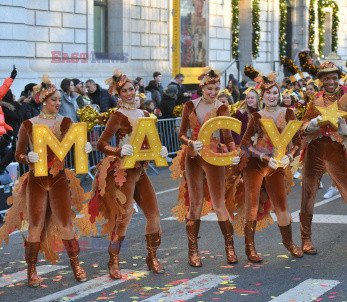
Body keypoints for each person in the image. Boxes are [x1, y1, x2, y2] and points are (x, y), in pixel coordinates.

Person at [0, 75, 92, 286]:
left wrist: (85, 148)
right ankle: (31, 271)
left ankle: (76, 264)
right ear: (43, 100)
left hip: (59, 179)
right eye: (54, 100)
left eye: (60, 100)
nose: (59, 103)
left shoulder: (66, 121)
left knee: (65, 223)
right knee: (36, 225)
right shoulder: (29, 124)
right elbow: (18, 154)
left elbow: (78, 143)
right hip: (37, 180)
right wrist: (27, 158)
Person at [85, 69, 169, 278]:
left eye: (132, 89)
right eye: (124, 91)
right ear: (118, 94)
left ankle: (152, 256)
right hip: (125, 171)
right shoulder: (118, 115)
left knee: (154, 214)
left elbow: (151, 141)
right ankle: (113, 261)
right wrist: (119, 150)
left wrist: (161, 150)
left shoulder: (145, 114)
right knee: (123, 217)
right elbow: (102, 144)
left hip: (141, 170)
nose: (130, 93)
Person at [300, 61, 347, 254]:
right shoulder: (315, 97)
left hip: (337, 150)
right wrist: (309, 126)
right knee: (308, 193)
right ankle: (306, 239)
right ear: (321, 80)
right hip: (315, 150)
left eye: (334, 77)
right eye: (326, 78)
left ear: (338, 77)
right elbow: (305, 120)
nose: (330, 81)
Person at [170, 67, 240, 267]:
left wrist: (233, 154)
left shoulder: (222, 107)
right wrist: (190, 143)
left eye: (216, 88)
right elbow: (181, 134)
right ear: (202, 87)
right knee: (196, 204)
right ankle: (193, 251)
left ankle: (230, 248)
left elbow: (228, 137)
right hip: (194, 157)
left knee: (219, 204)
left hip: (215, 157)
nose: (213, 92)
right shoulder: (189, 106)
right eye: (210, 88)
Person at [239, 73, 303, 261]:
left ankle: (289, 243)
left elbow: (298, 142)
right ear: (262, 96)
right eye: (268, 93)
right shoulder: (257, 116)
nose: (272, 96)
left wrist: (289, 157)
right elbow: (245, 143)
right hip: (256, 164)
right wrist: (265, 157)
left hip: (277, 163)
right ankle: (249, 248)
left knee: (282, 206)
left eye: (275, 92)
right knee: (252, 206)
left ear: (280, 94)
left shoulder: (288, 113)